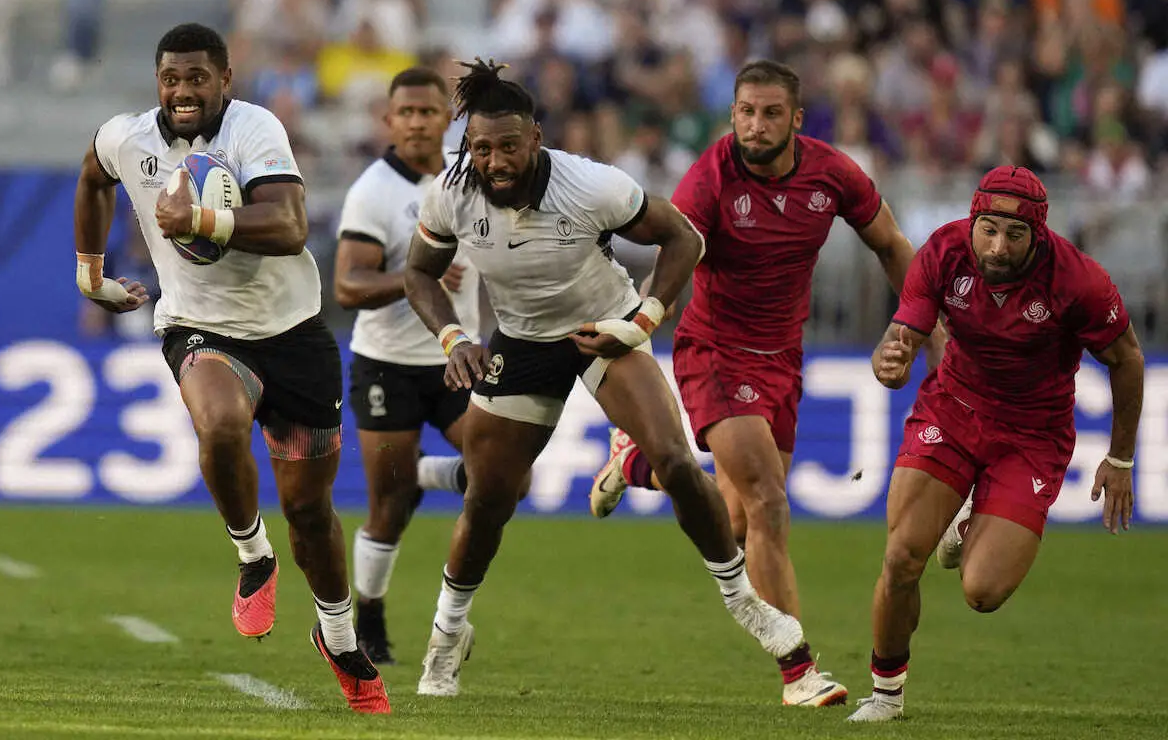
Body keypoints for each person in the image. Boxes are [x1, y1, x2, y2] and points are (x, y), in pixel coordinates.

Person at [404, 59, 806, 697]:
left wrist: (644, 318)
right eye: (481, 148)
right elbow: (419, 273)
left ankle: (747, 605)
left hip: (603, 330)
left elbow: (683, 238)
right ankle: (446, 638)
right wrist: (453, 337)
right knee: (487, 501)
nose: (496, 160)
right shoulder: (452, 193)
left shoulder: (591, 185)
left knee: (675, 460)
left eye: (509, 145)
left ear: (536, 138)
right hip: (523, 343)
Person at [589, 59, 939, 706]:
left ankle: (641, 463)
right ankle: (798, 673)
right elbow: (677, 248)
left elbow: (890, 242)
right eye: (746, 112)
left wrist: (921, 328)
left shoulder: (833, 174)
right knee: (770, 505)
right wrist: (643, 319)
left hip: (783, 360)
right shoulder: (711, 177)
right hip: (716, 353)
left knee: (737, 521)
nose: (756, 124)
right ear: (732, 116)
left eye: (771, 112)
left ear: (796, 120)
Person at [72, 22, 389, 714]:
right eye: (170, 79)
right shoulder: (130, 138)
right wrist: (90, 274)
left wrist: (202, 223)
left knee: (310, 512)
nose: (182, 92)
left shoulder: (254, 131)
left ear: (225, 82)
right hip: (198, 327)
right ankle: (252, 555)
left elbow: (290, 226)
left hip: (294, 334)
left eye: (196, 79)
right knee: (218, 424)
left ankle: (337, 638)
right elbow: (94, 174)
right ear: (158, 82)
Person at [848, 166, 1143, 722]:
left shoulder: (1078, 281)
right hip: (953, 410)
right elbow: (904, 334)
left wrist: (1121, 456)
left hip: (1032, 436)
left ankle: (970, 517)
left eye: (1014, 235)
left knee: (982, 592)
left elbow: (1126, 358)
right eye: (987, 229)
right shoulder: (943, 251)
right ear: (972, 221)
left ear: (1039, 233)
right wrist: (888, 360)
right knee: (901, 557)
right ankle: (886, 696)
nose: (997, 247)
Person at [334, 66, 480, 664]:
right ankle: (369, 617)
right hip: (388, 363)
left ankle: (420, 472)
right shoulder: (374, 190)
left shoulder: (471, 175)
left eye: (429, 112)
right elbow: (347, 284)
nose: (418, 122)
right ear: (389, 121)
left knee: (508, 477)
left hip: (458, 357)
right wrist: (415, 275)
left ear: (448, 118)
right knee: (387, 510)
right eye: (407, 113)